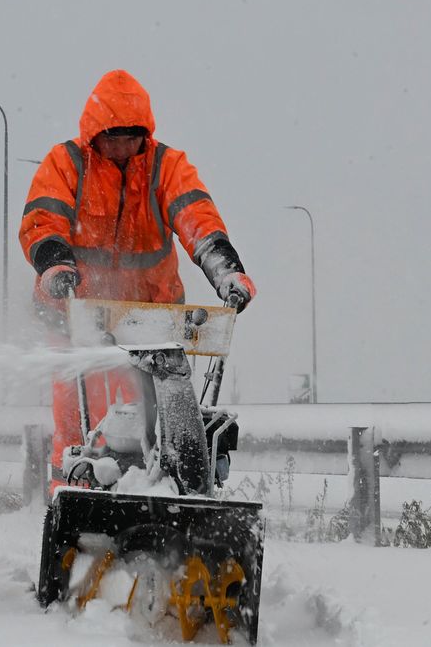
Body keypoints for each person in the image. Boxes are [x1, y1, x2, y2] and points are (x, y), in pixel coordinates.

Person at [18, 69, 256, 490]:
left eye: (130, 138)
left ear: (144, 135)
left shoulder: (167, 167)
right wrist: (55, 265)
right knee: (76, 417)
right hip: (75, 314)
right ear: (94, 135)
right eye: (112, 139)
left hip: (150, 321)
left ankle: (159, 491)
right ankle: (71, 495)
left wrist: (226, 271)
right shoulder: (67, 163)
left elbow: (197, 217)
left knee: (155, 418)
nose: (121, 148)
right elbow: (43, 219)